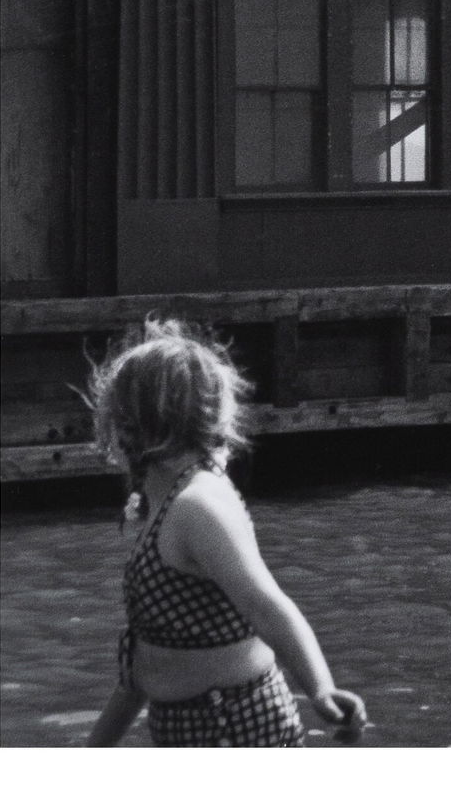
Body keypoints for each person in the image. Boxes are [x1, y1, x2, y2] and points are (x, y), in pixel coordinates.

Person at [83, 317, 366, 748]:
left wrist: (320, 689)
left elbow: (266, 606)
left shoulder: (199, 504)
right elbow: (145, 663)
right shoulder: (164, 504)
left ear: (130, 426)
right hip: (187, 729)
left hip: (233, 727)